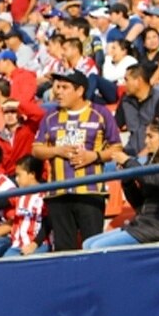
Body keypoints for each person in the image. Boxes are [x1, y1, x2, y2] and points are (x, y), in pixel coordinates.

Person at [32, 71, 123, 251]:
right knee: (64, 250)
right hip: (57, 194)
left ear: (80, 90)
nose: (58, 92)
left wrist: (94, 156)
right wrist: (57, 150)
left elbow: (117, 148)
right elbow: (36, 149)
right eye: (57, 87)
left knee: (93, 246)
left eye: (64, 87)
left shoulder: (101, 113)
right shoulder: (50, 116)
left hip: (90, 192)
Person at [84, 118, 159, 249]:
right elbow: (139, 205)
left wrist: (128, 162)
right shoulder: (152, 161)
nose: (146, 141)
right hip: (143, 224)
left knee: (96, 247)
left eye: (150, 136)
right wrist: (127, 180)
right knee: (87, 244)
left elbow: (153, 179)